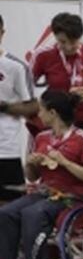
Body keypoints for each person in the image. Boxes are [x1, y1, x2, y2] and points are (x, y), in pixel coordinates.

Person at [0, 91, 83, 259]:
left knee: (33, 213)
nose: (39, 113)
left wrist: (65, 162)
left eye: (42, 109)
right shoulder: (41, 137)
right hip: (45, 192)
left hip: (73, 197)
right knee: (7, 212)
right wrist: (31, 164)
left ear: (52, 113)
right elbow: (32, 176)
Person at [33, 12, 83, 134]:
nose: (68, 47)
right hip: (57, 123)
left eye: (73, 42)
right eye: (62, 41)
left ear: (80, 36)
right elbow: (26, 86)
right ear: (55, 37)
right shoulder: (43, 55)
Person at [0, 15, 37, 202]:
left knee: (10, 205)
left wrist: (5, 107)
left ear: (2, 33)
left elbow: (32, 106)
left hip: (5, 148)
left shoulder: (15, 66)